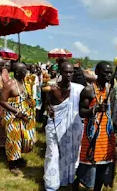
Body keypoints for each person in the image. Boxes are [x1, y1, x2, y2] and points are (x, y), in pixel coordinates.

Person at [43, 62, 84, 190]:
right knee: (52, 154)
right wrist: (49, 109)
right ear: (61, 72)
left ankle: (66, 179)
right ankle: (51, 184)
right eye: (66, 72)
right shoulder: (53, 89)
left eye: (71, 72)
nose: (69, 74)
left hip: (70, 129)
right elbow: (47, 104)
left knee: (69, 154)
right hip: (55, 127)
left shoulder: (77, 90)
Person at [75, 61, 115, 191]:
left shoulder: (109, 89)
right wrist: (95, 109)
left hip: (106, 138)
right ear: (97, 72)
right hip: (92, 138)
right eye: (106, 72)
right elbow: (81, 112)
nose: (109, 75)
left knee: (102, 171)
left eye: (111, 73)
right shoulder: (88, 90)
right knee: (89, 171)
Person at [0, 62, 36, 175]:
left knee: (24, 138)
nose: (26, 72)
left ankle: (18, 158)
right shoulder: (9, 84)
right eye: (23, 71)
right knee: (13, 140)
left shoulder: (24, 82)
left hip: (23, 116)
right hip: (12, 116)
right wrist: (17, 112)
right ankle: (12, 164)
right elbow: (3, 102)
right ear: (17, 72)